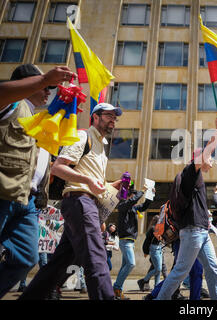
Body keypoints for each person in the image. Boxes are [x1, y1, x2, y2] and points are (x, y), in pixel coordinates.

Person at [19, 102, 123, 300]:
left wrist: (112, 185)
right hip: (80, 202)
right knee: (96, 257)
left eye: (114, 117)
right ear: (95, 117)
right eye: (108, 115)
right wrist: (88, 181)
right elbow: (58, 167)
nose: (113, 120)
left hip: (86, 202)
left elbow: (93, 181)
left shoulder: (102, 145)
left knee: (58, 264)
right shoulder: (83, 136)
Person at [0, 64, 75, 298]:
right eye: (45, 86)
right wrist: (45, 78)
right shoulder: (12, 105)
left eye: (51, 88)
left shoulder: (39, 116)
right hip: (3, 193)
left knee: (25, 258)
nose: (48, 91)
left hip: (28, 201)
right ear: (25, 83)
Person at [155, 117, 217, 300]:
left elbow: (208, 150)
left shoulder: (197, 176)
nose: (212, 160)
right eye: (209, 157)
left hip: (202, 231)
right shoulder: (189, 173)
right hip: (193, 231)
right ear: (200, 159)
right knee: (180, 271)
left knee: (213, 269)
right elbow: (208, 148)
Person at [114, 186, 153, 299]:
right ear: (128, 196)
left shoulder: (133, 208)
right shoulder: (122, 205)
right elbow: (133, 201)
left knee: (124, 266)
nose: (134, 198)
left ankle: (117, 291)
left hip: (130, 241)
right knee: (131, 264)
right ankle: (116, 287)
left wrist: (150, 194)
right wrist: (142, 191)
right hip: (125, 240)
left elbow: (144, 206)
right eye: (132, 195)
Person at [138, 215, 163, 290]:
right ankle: (143, 280)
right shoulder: (153, 229)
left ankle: (156, 286)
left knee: (158, 269)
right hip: (154, 249)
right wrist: (145, 251)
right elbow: (147, 241)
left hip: (159, 248)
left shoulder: (158, 228)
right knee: (158, 269)